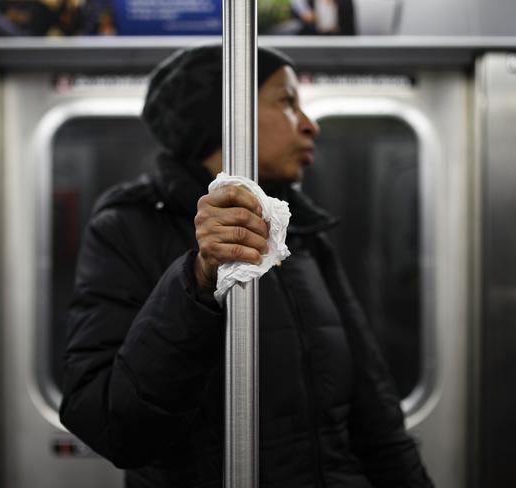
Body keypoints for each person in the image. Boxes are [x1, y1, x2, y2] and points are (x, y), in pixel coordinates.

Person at [59, 45, 434, 488]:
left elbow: (377, 423)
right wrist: (197, 281)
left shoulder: (303, 235)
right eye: (287, 101)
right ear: (227, 118)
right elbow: (115, 427)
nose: (310, 125)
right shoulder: (127, 229)